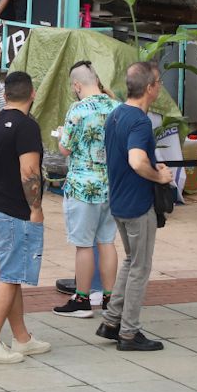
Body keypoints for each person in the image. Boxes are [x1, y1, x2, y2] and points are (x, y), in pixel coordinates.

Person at [97, 61, 173, 352]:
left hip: (119, 200)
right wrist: (159, 175)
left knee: (131, 261)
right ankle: (129, 332)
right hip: (138, 204)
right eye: (159, 83)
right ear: (150, 88)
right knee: (140, 266)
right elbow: (136, 160)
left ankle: (112, 320)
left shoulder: (116, 114)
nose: (160, 87)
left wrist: (152, 166)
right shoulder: (140, 121)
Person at [0, 71, 50, 364]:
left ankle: (21, 338)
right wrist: (36, 207)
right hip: (14, 211)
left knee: (13, 274)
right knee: (9, 277)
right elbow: (29, 171)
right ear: (32, 94)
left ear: (5, 95)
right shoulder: (27, 127)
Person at [53, 62, 120, 319]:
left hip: (82, 186)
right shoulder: (116, 106)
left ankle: (81, 299)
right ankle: (110, 298)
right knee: (107, 242)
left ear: (77, 85)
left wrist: (61, 134)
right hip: (109, 184)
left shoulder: (78, 110)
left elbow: (65, 149)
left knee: (83, 245)